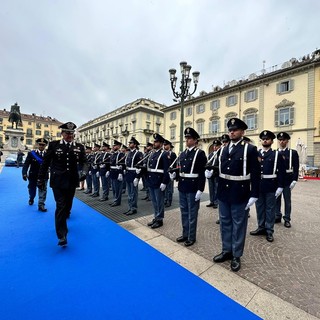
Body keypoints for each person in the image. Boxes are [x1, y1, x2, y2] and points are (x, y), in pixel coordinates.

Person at [213, 118, 261, 272]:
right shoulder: (223, 149)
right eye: (230, 129)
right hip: (224, 193)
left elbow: (256, 174)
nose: (232, 132)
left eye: (235, 129)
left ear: (242, 132)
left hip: (240, 192)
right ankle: (227, 250)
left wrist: (254, 194)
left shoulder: (250, 149)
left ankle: (236, 255)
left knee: (239, 225)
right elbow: (221, 169)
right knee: (225, 222)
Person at [37, 122, 88, 247]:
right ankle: (62, 235)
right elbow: (45, 163)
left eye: (72, 133)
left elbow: (85, 162)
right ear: (62, 134)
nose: (70, 135)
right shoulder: (54, 145)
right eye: (67, 133)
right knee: (60, 206)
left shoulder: (79, 147)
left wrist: (84, 172)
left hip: (72, 181)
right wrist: (40, 178)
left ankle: (65, 217)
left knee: (67, 205)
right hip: (58, 181)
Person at [170, 127, 207, 246]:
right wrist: (175, 174)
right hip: (182, 186)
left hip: (193, 187)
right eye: (186, 138)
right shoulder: (183, 153)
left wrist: (200, 189)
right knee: (184, 212)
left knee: (192, 213)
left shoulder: (200, 153)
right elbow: (181, 169)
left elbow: (202, 173)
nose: (187, 140)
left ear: (195, 140)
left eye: (189, 138)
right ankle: (185, 233)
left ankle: (191, 236)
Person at [250, 130, 286, 242]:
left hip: (271, 185)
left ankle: (269, 231)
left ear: (271, 141)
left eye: (267, 139)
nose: (265, 140)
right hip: (259, 186)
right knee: (259, 208)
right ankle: (261, 227)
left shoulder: (276, 154)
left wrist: (280, 186)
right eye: (263, 139)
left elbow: (282, 172)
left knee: (270, 210)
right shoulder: (256, 154)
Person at [143, 133, 170, 229]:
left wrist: (164, 182)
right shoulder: (152, 153)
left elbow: (167, 170)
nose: (154, 143)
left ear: (161, 143)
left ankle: (160, 219)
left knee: (159, 201)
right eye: (154, 141)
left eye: (156, 141)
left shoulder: (165, 154)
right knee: (154, 201)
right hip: (151, 181)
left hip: (159, 181)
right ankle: (156, 216)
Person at [275, 132, 299, 228]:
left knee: (287, 200)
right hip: (277, 180)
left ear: (287, 141)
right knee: (276, 199)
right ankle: (277, 216)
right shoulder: (275, 152)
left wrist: (294, 180)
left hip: (287, 180)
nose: (281, 142)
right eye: (280, 140)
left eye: (283, 140)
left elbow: (296, 167)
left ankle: (287, 218)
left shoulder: (292, 152)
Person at [22, 138, 49, 211]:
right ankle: (31, 197)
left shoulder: (48, 154)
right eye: (40, 144)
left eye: (43, 145)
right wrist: (24, 173)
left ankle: (41, 204)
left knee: (43, 190)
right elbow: (26, 164)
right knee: (32, 189)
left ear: (45, 145)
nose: (41, 146)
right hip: (33, 175)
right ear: (37, 145)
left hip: (43, 176)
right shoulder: (31, 154)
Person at [123, 137, 143, 215]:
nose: (129, 144)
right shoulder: (129, 153)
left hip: (134, 174)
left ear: (135, 145)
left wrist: (137, 177)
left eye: (131, 143)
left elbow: (140, 166)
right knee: (129, 193)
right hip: (128, 174)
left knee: (133, 193)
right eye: (129, 143)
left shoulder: (138, 153)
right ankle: (130, 207)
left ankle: (133, 208)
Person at [205, 139, 221, 209]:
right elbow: (208, 163)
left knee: (216, 189)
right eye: (214, 146)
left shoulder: (221, 154)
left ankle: (216, 202)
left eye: (217, 146)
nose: (215, 147)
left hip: (216, 174)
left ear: (220, 146)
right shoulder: (211, 154)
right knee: (211, 188)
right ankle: (212, 201)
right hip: (210, 174)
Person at [108, 140, 125, 207]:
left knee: (118, 188)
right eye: (113, 145)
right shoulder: (113, 154)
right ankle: (115, 199)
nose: (113, 146)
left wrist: (121, 173)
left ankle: (117, 201)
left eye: (115, 145)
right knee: (114, 188)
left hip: (117, 173)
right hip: (112, 172)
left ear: (118, 146)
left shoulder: (121, 154)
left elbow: (122, 165)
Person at [163, 139, 177, 208]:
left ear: (169, 146)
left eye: (166, 145)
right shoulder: (163, 154)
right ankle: (165, 200)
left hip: (170, 173)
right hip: (164, 173)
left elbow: (175, 164)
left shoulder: (173, 154)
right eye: (164, 145)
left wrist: (173, 173)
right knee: (165, 188)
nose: (164, 146)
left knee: (170, 189)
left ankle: (169, 201)